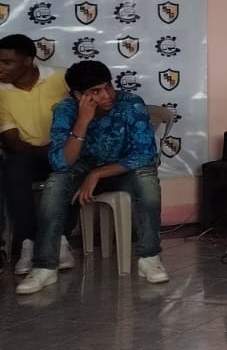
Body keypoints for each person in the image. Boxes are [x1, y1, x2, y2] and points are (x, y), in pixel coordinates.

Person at [16, 59, 167, 295]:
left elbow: (145, 154)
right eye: (95, 92)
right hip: (82, 169)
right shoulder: (66, 110)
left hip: (121, 170)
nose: (106, 95)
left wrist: (97, 174)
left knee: (146, 176)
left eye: (108, 86)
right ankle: (45, 266)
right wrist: (83, 122)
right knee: (56, 182)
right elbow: (61, 162)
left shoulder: (130, 104)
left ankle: (150, 258)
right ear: (78, 95)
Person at [0, 34, 71, 274]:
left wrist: (60, 152)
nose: (0, 68)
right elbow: (12, 140)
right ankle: (27, 244)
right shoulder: (1, 91)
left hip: (65, 151)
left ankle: (60, 241)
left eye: (7, 62)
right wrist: (47, 153)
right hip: (28, 155)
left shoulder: (62, 78)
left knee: (72, 167)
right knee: (14, 170)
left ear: (28, 61)